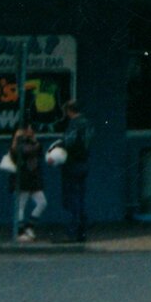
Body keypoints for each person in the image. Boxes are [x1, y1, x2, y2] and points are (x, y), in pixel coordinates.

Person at [51, 100, 92, 243]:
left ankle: (72, 232)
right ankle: (82, 231)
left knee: (71, 198)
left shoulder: (74, 124)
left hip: (72, 164)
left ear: (69, 110)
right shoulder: (87, 123)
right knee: (80, 197)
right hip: (84, 163)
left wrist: (56, 148)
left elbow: (69, 141)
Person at [7, 120, 47, 243]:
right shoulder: (18, 142)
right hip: (22, 178)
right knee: (21, 205)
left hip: (33, 178)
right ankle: (20, 231)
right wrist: (18, 137)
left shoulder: (32, 141)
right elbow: (21, 152)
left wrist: (34, 139)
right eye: (28, 128)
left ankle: (29, 226)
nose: (31, 130)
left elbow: (40, 151)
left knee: (42, 202)